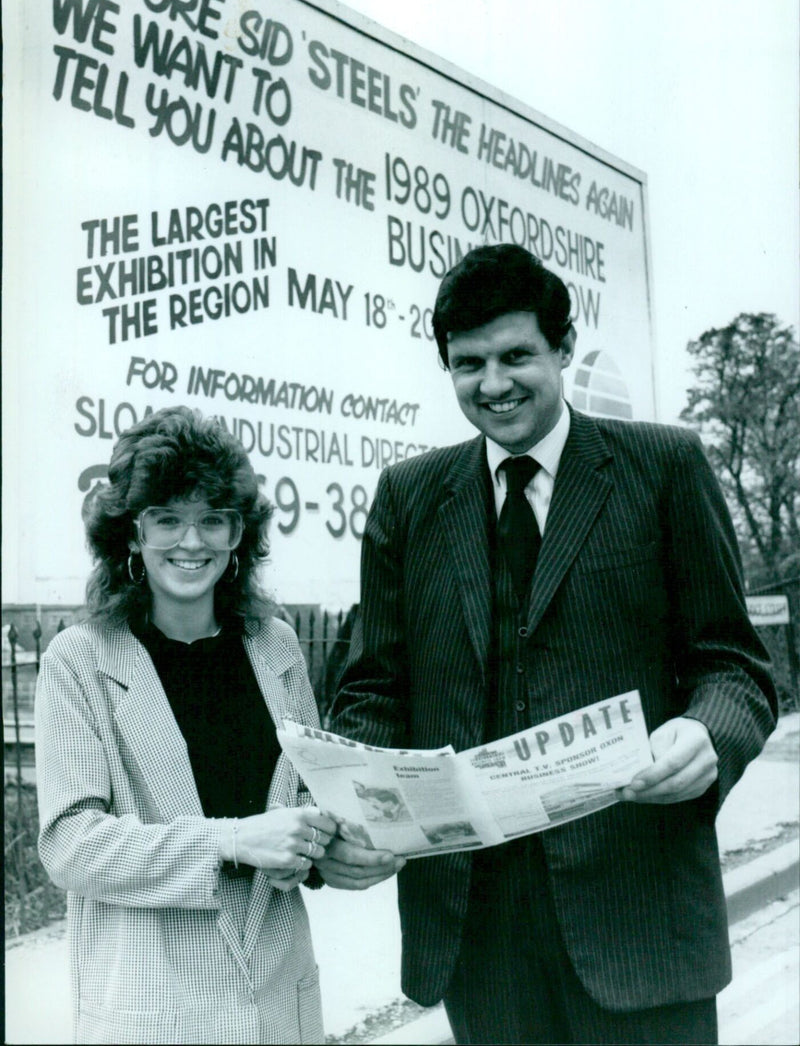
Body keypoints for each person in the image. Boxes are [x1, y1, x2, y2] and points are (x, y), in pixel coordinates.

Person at [327, 244, 778, 1045]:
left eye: (515, 356)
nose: (492, 384)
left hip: (640, 918)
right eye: (468, 364)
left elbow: (733, 665)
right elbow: (375, 689)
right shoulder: (408, 499)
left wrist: (707, 734)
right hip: (479, 931)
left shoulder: (663, 467)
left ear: (563, 349)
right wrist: (357, 809)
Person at [36, 407, 351, 1044]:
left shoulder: (276, 646)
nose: (193, 540)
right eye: (168, 518)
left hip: (278, 1004)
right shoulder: (78, 660)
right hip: (154, 1007)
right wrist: (230, 841)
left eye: (214, 519)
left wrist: (327, 851)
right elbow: (70, 846)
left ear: (240, 534)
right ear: (130, 533)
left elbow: (306, 801)